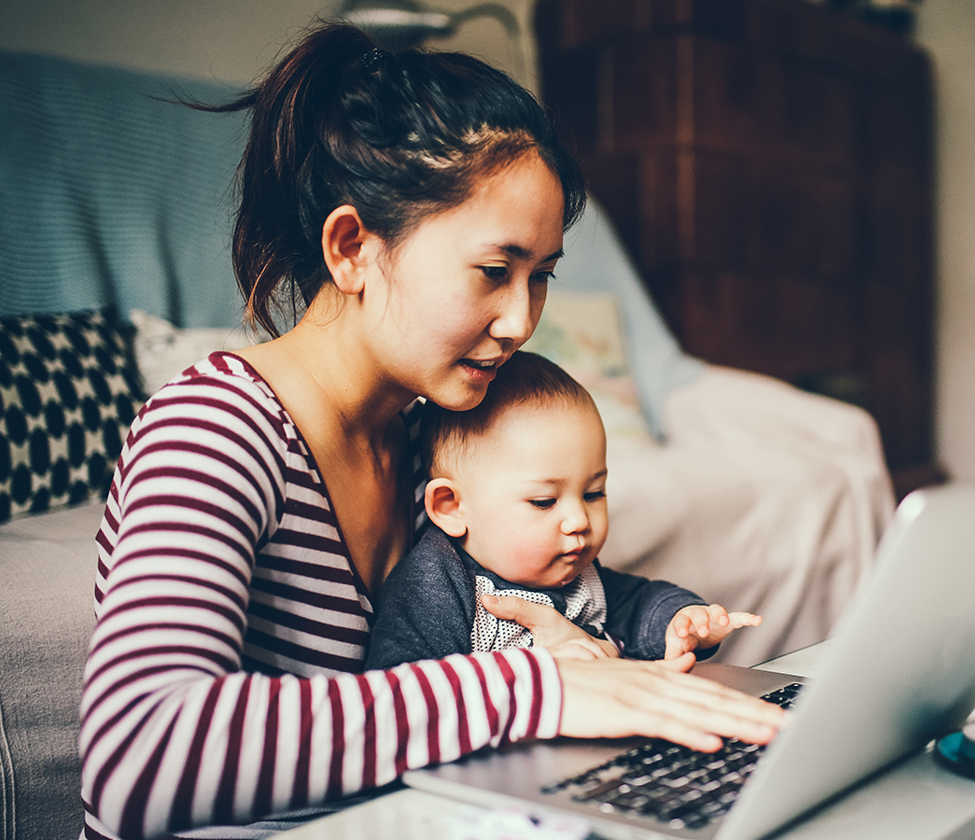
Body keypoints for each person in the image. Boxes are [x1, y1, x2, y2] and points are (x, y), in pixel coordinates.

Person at [79, 24, 785, 840]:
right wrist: (533, 689)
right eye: (494, 270)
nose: (522, 320)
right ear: (351, 248)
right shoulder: (213, 430)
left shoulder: (433, 442)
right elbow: (137, 755)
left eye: (542, 277)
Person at [365, 351, 760, 671]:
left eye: (593, 493)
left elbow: (638, 603)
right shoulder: (437, 584)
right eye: (544, 501)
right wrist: (531, 672)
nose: (579, 521)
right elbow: (404, 690)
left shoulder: (576, 573)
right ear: (451, 508)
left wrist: (683, 620)